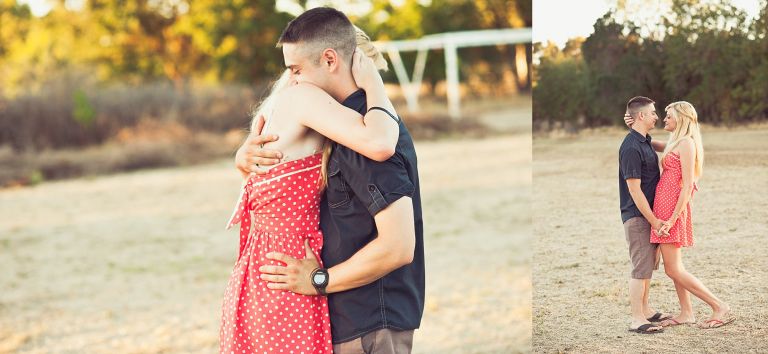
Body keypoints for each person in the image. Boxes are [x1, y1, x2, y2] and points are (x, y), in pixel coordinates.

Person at [233, 7, 424, 354]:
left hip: (369, 318)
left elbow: (398, 246)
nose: (290, 81)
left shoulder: (366, 128)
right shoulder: (339, 127)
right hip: (333, 310)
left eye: (295, 69)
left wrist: (318, 280)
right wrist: (243, 159)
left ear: (331, 59)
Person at [647, 101, 733, 329]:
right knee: (674, 267)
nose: (664, 119)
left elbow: (687, 186)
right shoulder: (677, 142)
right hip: (664, 208)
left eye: (668, 116)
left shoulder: (686, 143)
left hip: (672, 210)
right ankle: (686, 312)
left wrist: (673, 218)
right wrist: (636, 130)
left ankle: (719, 306)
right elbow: (656, 144)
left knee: (673, 269)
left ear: (681, 118)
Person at [618, 96, 672, 334]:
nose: (656, 116)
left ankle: (647, 310)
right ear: (641, 116)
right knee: (640, 268)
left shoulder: (644, 140)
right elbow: (634, 189)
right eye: (652, 112)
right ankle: (637, 319)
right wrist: (654, 220)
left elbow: (669, 146)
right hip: (639, 216)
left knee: (648, 266)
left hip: (649, 215)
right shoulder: (630, 147)